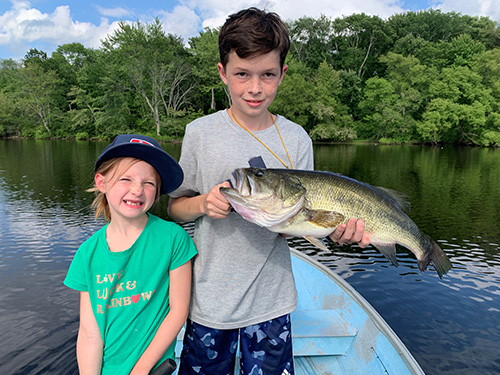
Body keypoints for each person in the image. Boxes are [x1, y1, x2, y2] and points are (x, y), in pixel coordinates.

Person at [168, 7, 369, 375]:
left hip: (272, 303)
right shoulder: (200, 133)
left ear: (282, 74)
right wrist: (202, 202)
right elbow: (175, 207)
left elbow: (301, 222)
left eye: (268, 75)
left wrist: (339, 234)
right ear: (222, 73)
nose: (255, 87)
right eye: (242, 74)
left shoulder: (296, 138)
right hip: (210, 302)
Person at [64, 134, 198, 375]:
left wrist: (140, 370)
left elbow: (178, 311)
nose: (137, 190)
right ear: (101, 182)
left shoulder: (173, 238)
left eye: (148, 183)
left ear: (157, 190)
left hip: (152, 369)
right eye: (126, 179)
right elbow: (89, 333)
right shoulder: (88, 253)